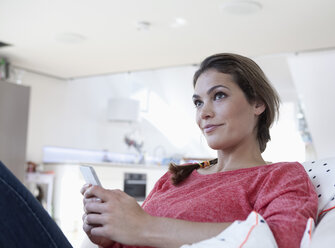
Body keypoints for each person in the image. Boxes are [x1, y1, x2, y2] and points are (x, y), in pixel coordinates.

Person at [81, 53, 318, 248]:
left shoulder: (280, 176)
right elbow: (137, 236)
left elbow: (283, 239)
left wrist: (145, 226)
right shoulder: (176, 176)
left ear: (257, 103)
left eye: (219, 96)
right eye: (198, 102)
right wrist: (109, 236)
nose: (203, 113)